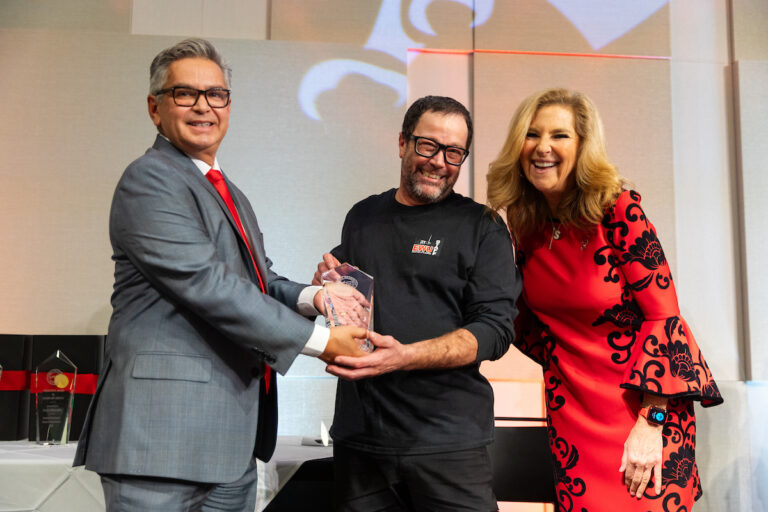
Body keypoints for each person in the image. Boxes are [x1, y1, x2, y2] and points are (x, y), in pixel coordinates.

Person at [73, 38, 367, 512]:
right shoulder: (149, 179)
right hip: (159, 443)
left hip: (231, 444)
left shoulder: (227, 189)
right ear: (155, 108)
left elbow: (256, 280)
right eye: (185, 94)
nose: (203, 106)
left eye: (216, 95)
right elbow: (208, 285)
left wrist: (316, 296)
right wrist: (322, 341)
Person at [486, 87, 723, 511]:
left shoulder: (618, 210)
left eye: (559, 136)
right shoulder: (524, 223)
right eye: (532, 134)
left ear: (582, 147)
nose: (542, 147)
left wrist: (652, 424)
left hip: (643, 412)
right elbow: (523, 320)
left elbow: (663, 319)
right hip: (572, 414)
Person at [313, 95, 522, 512]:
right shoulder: (363, 216)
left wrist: (404, 356)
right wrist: (324, 288)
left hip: (449, 445)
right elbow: (351, 296)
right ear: (403, 142)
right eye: (428, 146)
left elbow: (496, 331)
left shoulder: (481, 227)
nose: (439, 162)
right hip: (362, 442)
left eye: (454, 152)